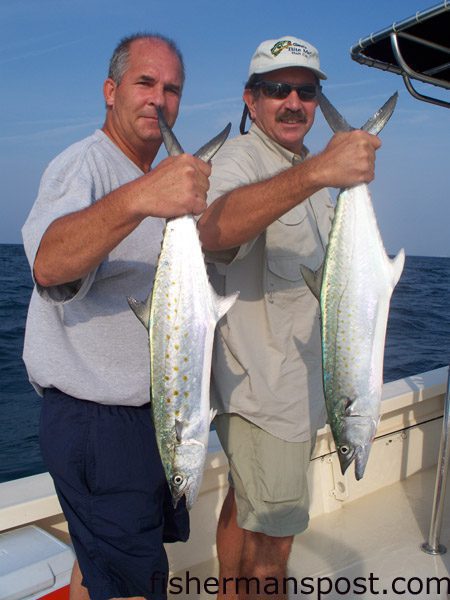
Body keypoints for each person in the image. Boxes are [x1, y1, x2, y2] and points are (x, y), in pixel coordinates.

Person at [22, 33, 212, 600]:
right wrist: (139, 195)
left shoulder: (161, 181)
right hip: (97, 424)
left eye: (172, 88)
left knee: (99, 566)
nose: (160, 98)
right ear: (111, 91)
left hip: (149, 417)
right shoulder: (83, 165)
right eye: (145, 83)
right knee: (136, 586)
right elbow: (49, 263)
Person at [197, 36, 381, 599]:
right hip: (265, 397)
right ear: (251, 101)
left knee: (246, 508)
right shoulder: (244, 158)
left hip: (300, 391)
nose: (294, 102)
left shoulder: (313, 173)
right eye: (278, 89)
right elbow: (213, 228)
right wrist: (320, 171)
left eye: (306, 90)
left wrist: (322, 173)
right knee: (271, 558)